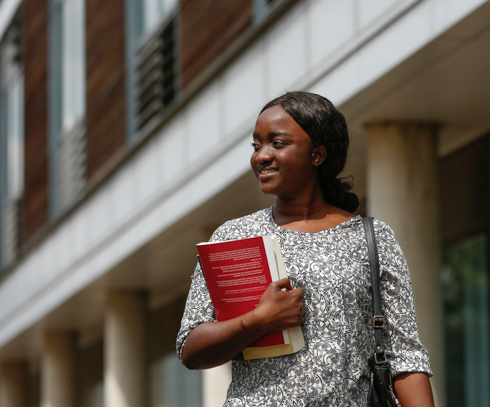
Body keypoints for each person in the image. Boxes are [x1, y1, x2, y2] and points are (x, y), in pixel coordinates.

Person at [176, 91, 434, 406]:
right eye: (257, 145)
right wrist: (258, 320)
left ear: (317, 155)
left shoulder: (372, 238)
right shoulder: (234, 237)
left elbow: (405, 355)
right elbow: (190, 348)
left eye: (278, 143)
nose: (261, 156)